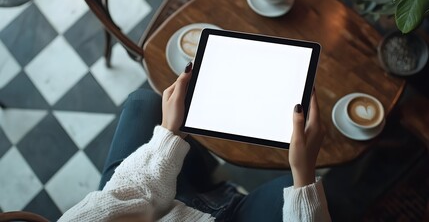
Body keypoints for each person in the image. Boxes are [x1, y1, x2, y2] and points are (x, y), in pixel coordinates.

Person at [59, 62, 331, 222]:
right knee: (296, 187)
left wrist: (169, 133)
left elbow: (125, 197)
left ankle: (206, 180)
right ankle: (214, 187)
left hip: (156, 209)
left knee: (144, 103)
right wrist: (303, 173)